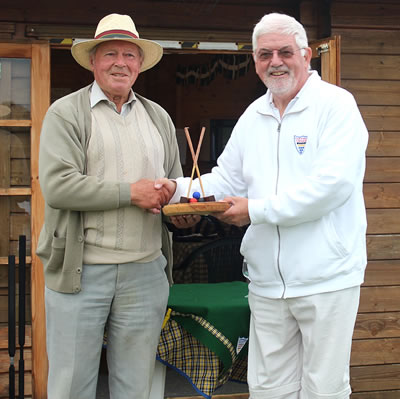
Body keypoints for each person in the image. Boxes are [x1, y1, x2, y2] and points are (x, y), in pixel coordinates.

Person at [163, 12, 368, 399]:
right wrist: (174, 189)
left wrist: (255, 211)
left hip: (327, 279)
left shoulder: (336, 106)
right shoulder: (253, 115)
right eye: (264, 54)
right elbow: (225, 179)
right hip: (266, 284)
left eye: (284, 51)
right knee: (268, 388)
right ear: (254, 61)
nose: (275, 61)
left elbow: (332, 187)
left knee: (324, 389)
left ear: (307, 55)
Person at [36, 13, 186, 399]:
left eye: (129, 55)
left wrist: (180, 210)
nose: (120, 62)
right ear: (93, 62)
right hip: (81, 272)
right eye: (110, 54)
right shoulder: (66, 113)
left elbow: (174, 185)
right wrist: (131, 193)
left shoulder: (159, 117)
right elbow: (58, 187)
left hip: (146, 272)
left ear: (139, 65)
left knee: (134, 387)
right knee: (72, 386)